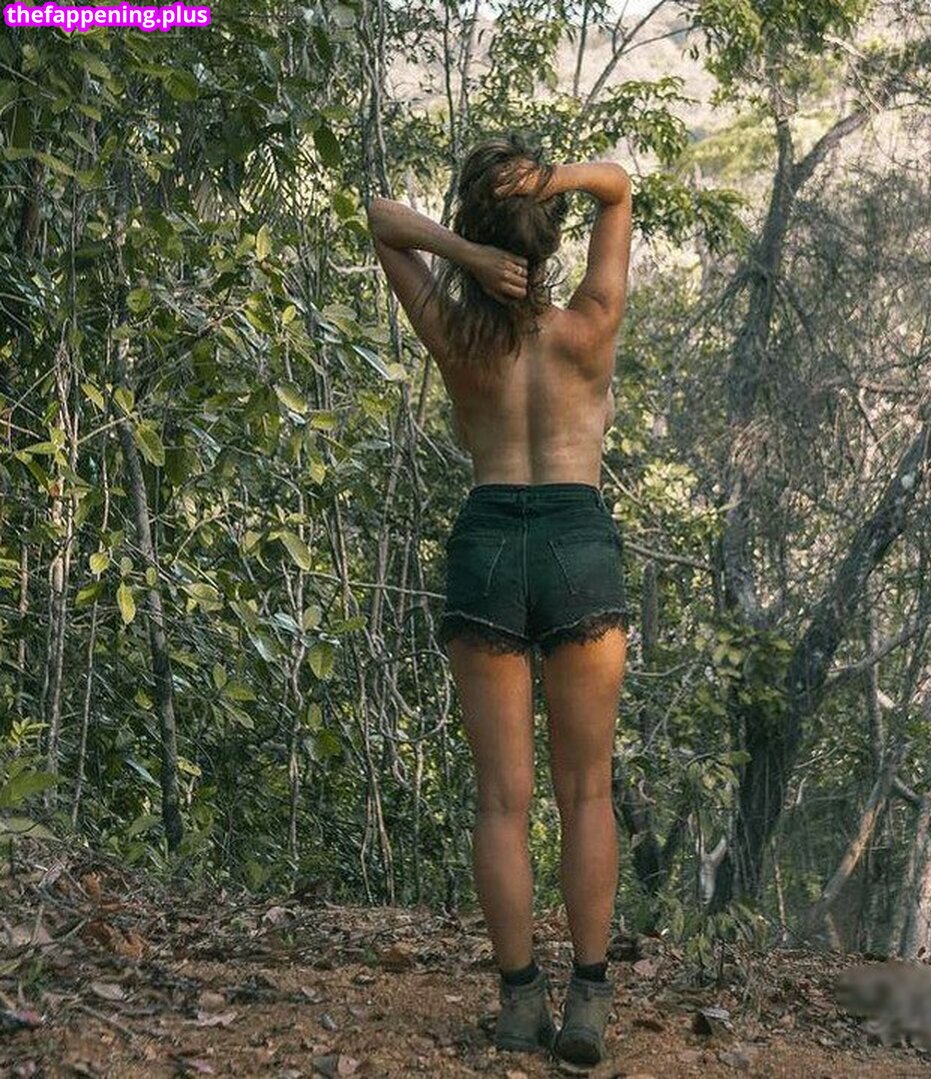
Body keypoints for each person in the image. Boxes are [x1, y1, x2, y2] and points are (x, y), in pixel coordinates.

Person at [366, 131, 632, 1066]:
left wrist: (465, 253)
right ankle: (587, 1000)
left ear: (482, 231)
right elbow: (617, 187)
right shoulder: (590, 326)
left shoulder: (456, 335)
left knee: (500, 801)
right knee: (586, 789)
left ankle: (521, 1003)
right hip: (576, 542)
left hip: (487, 543)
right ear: (547, 234)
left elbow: (382, 220)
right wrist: (548, 182)